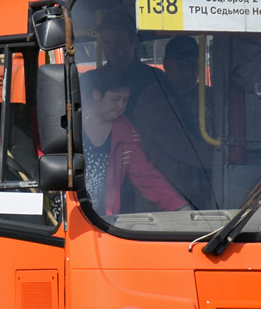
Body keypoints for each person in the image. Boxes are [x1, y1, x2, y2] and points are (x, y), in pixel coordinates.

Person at [80, 64, 189, 216]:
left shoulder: (127, 136)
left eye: (125, 100)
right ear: (97, 94)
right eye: (115, 99)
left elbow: (148, 178)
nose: (120, 106)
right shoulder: (67, 122)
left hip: (98, 221)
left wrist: (181, 208)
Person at [134, 35, 216, 208]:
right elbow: (181, 146)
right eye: (181, 67)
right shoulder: (153, 99)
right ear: (166, 65)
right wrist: (222, 160)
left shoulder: (210, 96)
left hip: (206, 191)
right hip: (165, 195)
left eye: (193, 66)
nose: (188, 73)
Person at [93, 8, 159, 117]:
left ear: (134, 41)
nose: (111, 48)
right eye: (106, 42)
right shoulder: (90, 80)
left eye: (119, 42)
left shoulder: (156, 80)